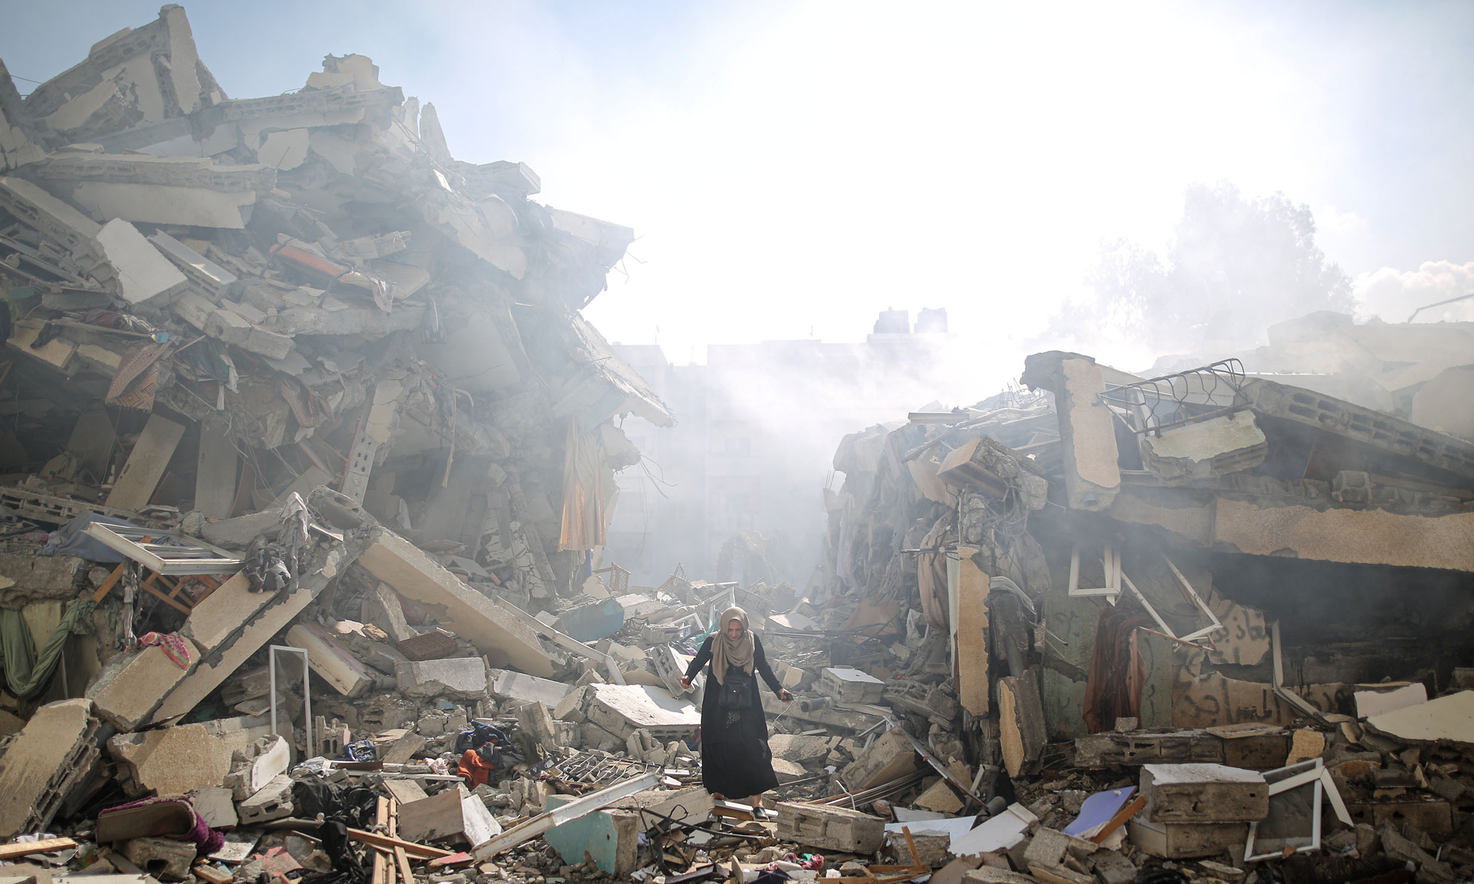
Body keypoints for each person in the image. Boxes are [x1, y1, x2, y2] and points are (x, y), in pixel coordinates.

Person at [679, 606, 792, 812]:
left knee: (754, 749)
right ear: (723, 627)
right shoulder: (714, 641)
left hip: (746, 704)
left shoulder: (752, 641)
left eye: (737, 630)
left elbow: (764, 667)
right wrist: (688, 677)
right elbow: (698, 661)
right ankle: (718, 795)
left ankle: (757, 803)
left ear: (744, 627)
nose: (733, 634)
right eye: (729, 630)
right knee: (719, 748)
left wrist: (779, 689)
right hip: (718, 704)